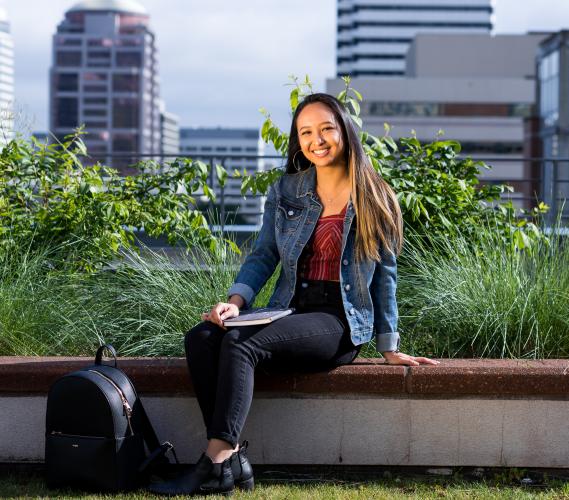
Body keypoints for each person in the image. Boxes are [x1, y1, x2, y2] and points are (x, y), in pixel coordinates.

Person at [149, 93, 439, 496]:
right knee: (202, 337)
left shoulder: (376, 197)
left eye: (325, 129)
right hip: (288, 309)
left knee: (239, 345)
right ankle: (232, 459)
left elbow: (385, 279)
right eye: (306, 132)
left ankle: (216, 463)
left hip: (338, 321)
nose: (316, 139)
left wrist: (389, 346)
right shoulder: (287, 190)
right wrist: (234, 303)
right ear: (297, 140)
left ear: (344, 132)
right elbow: (264, 254)